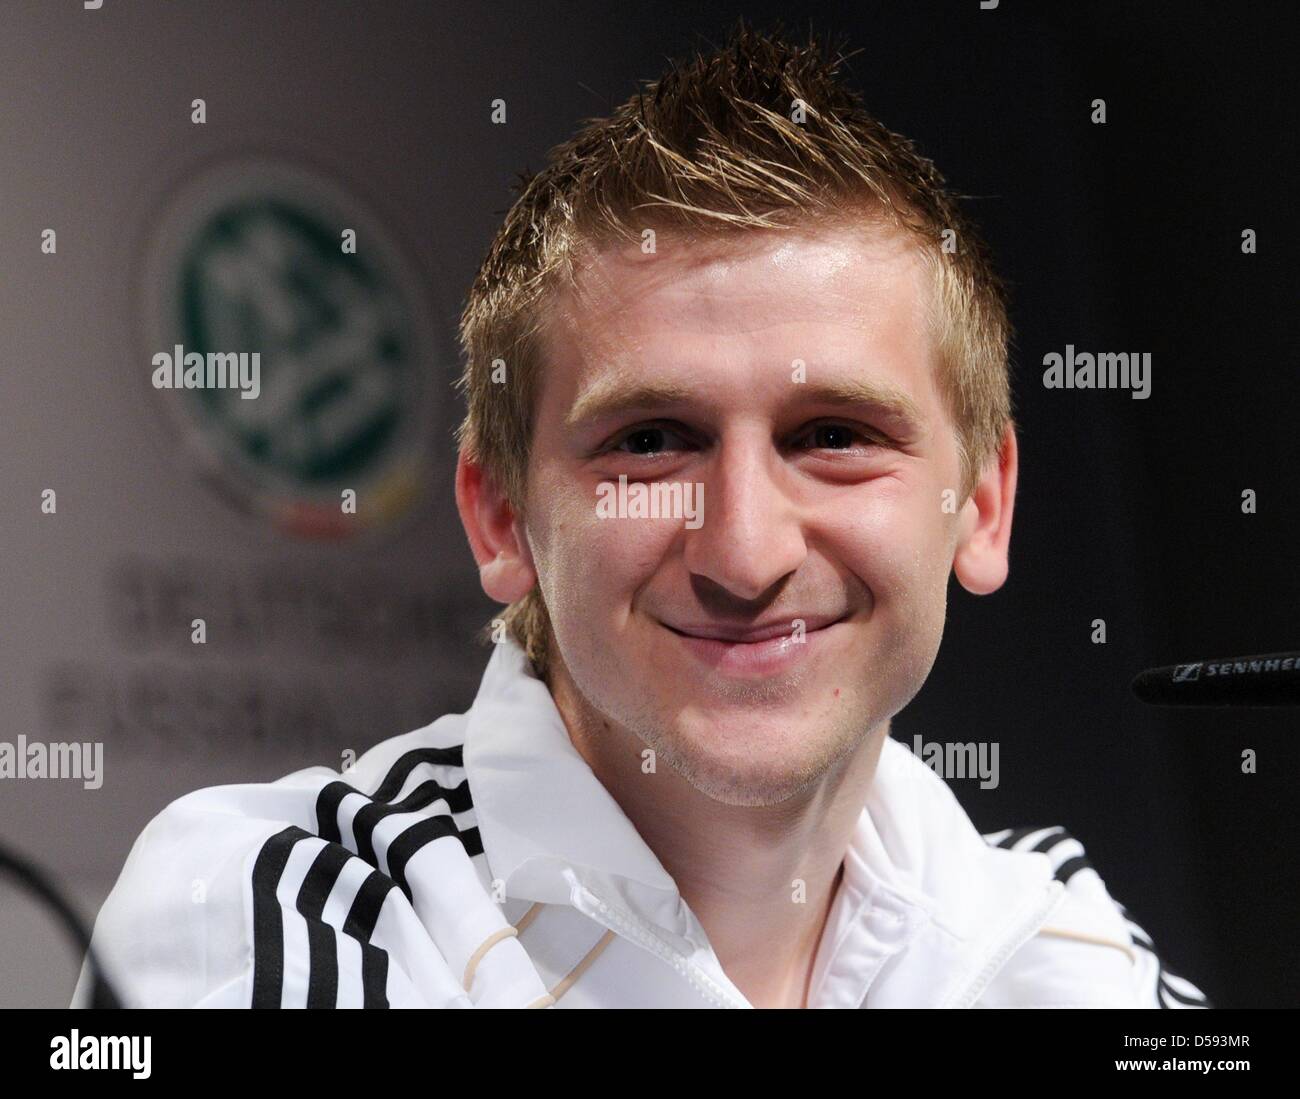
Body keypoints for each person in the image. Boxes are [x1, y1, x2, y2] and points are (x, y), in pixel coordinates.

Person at [75, 22, 1208, 1009]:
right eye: (651, 441)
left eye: (833, 437)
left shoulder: (1065, 947)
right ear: (502, 517)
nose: (746, 550)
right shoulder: (279, 905)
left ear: (985, 505)